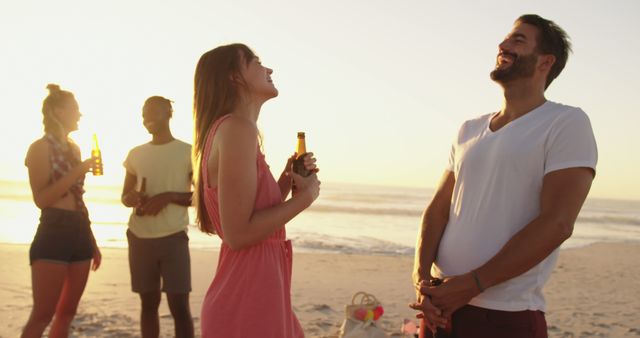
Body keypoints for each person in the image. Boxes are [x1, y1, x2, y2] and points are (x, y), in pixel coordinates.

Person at [411, 14, 597, 338]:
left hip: (504, 314)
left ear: (545, 62)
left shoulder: (565, 123)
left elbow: (557, 223)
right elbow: (438, 209)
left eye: (518, 40)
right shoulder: (469, 129)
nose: (503, 44)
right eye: (506, 38)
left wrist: (472, 285)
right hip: (439, 307)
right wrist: (421, 279)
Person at [192, 44, 320, 338]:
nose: (269, 69)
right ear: (234, 78)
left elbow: (249, 214)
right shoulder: (237, 129)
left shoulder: (230, 129)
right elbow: (240, 235)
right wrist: (306, 198)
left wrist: (287, 180)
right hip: (249, 297)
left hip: (258, 290)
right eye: (257, 62)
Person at [22, 84, 102, 338]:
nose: (79, 114)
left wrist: (91, 240)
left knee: (67, 314)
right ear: (57, 111)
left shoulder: (74, 149)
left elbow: (78, 199)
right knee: (43, 314)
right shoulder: (39, 148)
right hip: (53, 230)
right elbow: (43, 198)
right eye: (75, 109)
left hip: (79, 231)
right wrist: (79, 171)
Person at [121, 96, 194, 338]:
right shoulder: (136, 154)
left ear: (169, 113)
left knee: (179, 307)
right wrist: (133, 198)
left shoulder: (188, 152)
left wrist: (169, 196)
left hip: (173, 238)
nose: (147, 118)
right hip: (139, 238)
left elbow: (202, 198)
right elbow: (125, 197)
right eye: (143, 113)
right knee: (148, 305)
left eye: (153, 112)